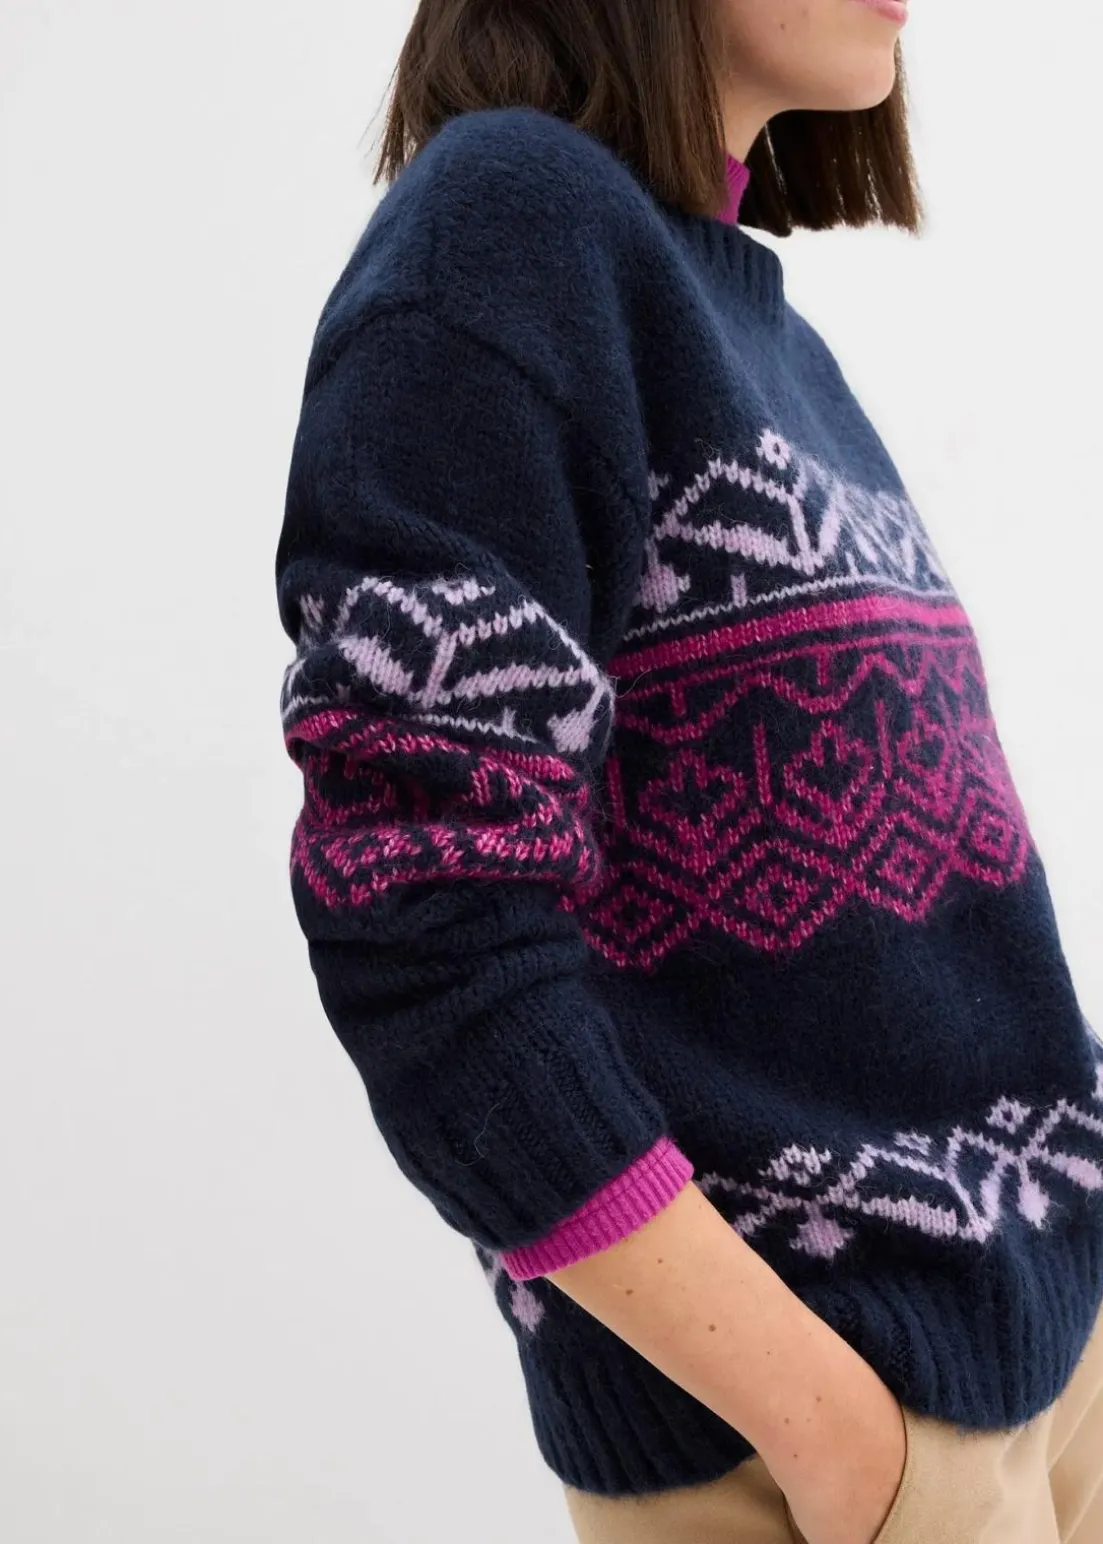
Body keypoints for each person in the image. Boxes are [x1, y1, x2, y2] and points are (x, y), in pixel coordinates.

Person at [273, 2, 1103, 1540]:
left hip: (1043, 1358)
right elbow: (420, 923)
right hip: (842, 1444)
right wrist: (830, 1435)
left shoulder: (754, 327)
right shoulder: (506, 232)